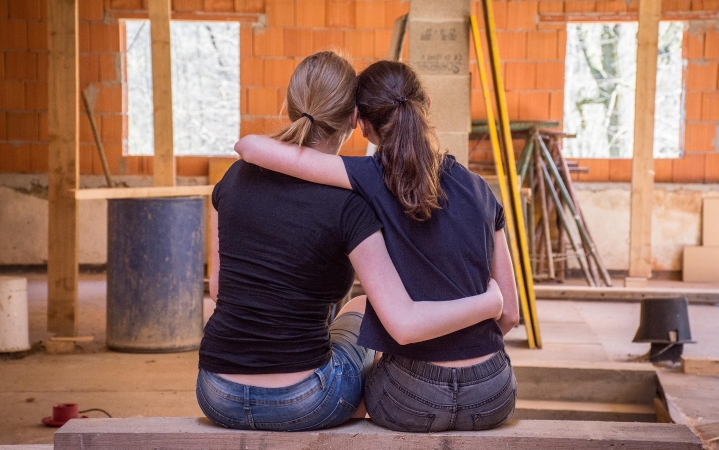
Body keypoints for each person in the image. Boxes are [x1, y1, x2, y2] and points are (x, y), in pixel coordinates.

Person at [197, 51, 504, 432]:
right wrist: (489, 301)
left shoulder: (230, 179)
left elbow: (218, 289)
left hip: (215, 391)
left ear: (291, 104)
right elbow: (405, 320)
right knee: (361, 308)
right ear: (354, 119)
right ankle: (353, 403)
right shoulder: (354, 201)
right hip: (306, 401)